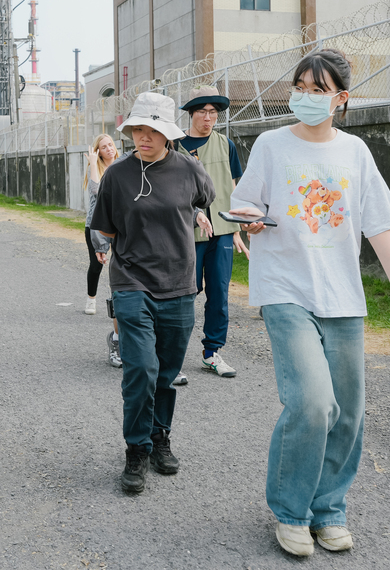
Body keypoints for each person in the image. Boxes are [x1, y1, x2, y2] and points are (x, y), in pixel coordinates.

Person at [228, 49, 390, 557]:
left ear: (341, 98)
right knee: (313, 403)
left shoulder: (355, 152)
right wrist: (249, 219)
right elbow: (247, 202)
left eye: (319, 90)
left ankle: (329, 509)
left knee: (348, 412)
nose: (307, 97)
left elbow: (378, 225)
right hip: (285, 290)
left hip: (343, 298)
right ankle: (291, 512)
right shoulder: (271, 145)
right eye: (300, 87)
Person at [90, 92, 215, 494]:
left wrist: (195, 214)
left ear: (167, 134)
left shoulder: (189, 170)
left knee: (165, 372)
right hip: (131, 282)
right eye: (137, 129)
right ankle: (136, 449)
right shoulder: (117, 175)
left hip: (179, 283)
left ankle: (160, 437)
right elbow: (105, 229)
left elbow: (201, 201)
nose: (143, 137)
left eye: (152, 130)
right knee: (140, 367)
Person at [176, 85, 247, 380]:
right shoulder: (174, 145)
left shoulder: (226, 145)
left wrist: (237, 229)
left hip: (223, 230)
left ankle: (211, 353)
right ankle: (171, 355)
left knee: (219, 292)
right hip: (185, 233)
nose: (208, 118)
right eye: (202, 112)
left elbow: (234, 186)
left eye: (213, 113)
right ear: (192, 113)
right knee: (183, 293)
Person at [84, 134, 124, 369]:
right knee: (96, 264)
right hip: (96, 226)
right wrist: (92, 163)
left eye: (111, 145)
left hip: (120, 226)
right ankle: (91, 299)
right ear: (98, 152)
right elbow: (97, 190)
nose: (109, 149)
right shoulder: (97, 169)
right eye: (103, 147)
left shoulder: (124, 165)